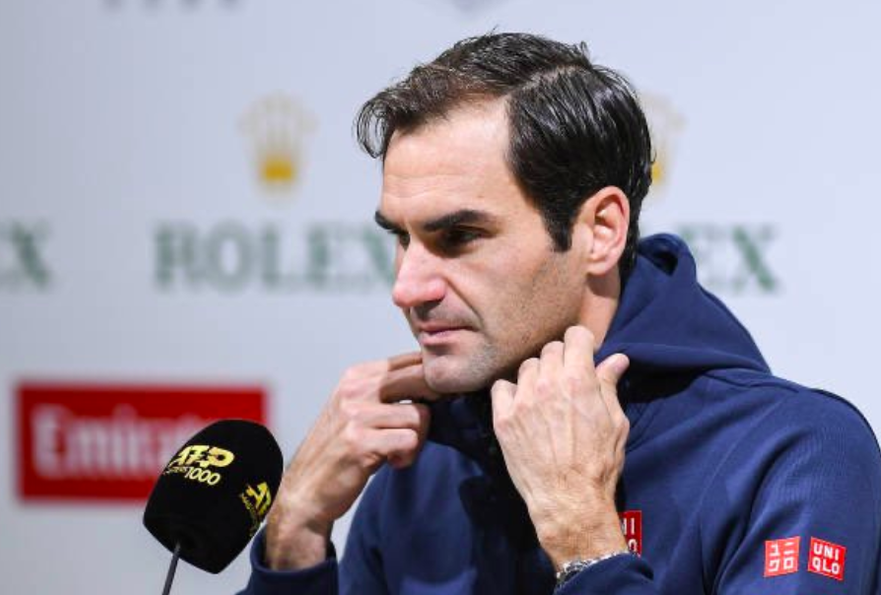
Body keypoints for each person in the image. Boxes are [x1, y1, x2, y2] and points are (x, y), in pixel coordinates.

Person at [238, 32, 881, 594]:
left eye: (458, 237)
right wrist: (294, 538)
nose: (406, 288)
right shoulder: (421, 466)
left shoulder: (795, 456)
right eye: (401, 238)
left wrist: (584, 540)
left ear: (600, 231)